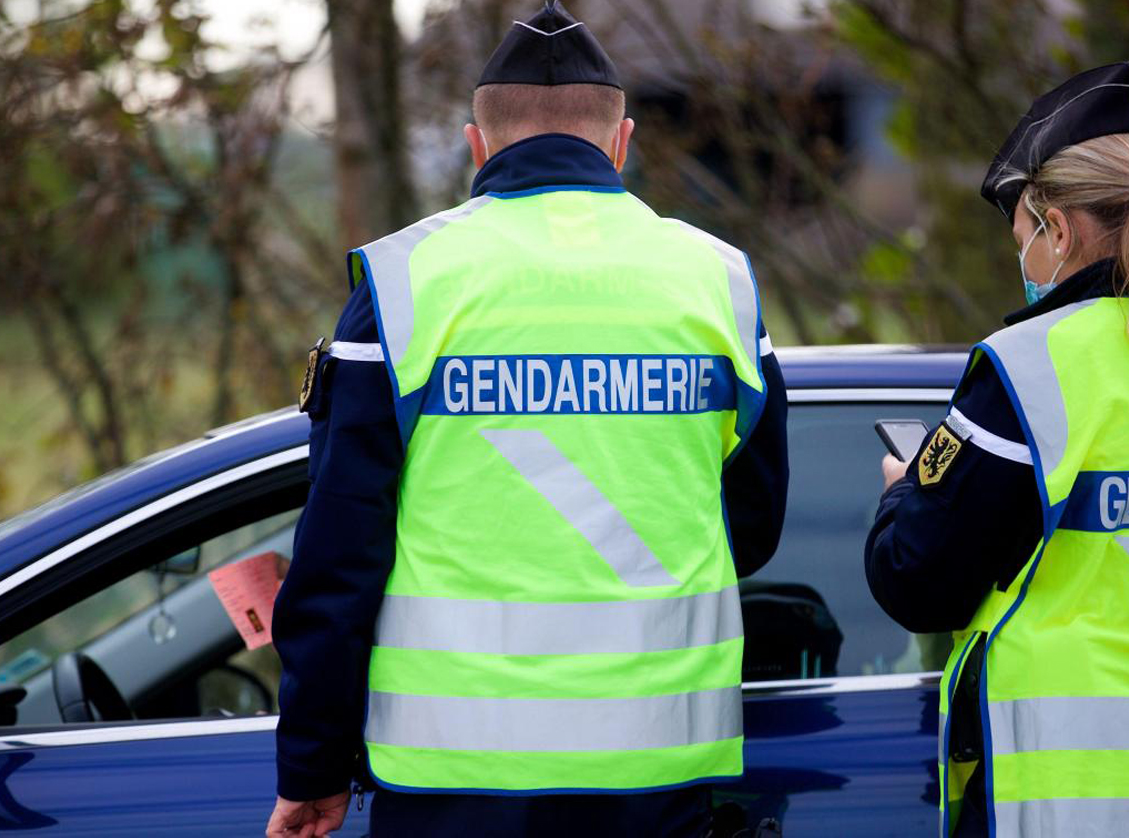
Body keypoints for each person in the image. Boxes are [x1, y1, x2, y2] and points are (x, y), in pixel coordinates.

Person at [266, 3, 789, 835]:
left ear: (477, 147)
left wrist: (314, 765)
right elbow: (752, 525)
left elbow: (339, 556)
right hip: (655, 764)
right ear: (622, 144)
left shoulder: (406, 285)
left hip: (455, 777)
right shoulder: (718, 281)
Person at [865, 62, 1129, 838]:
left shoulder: (1029, 365)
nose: (1024, 259)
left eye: (1022, 234)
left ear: (1061, 230)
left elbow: (919, 577)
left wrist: (901, 493)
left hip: (1071, 797)